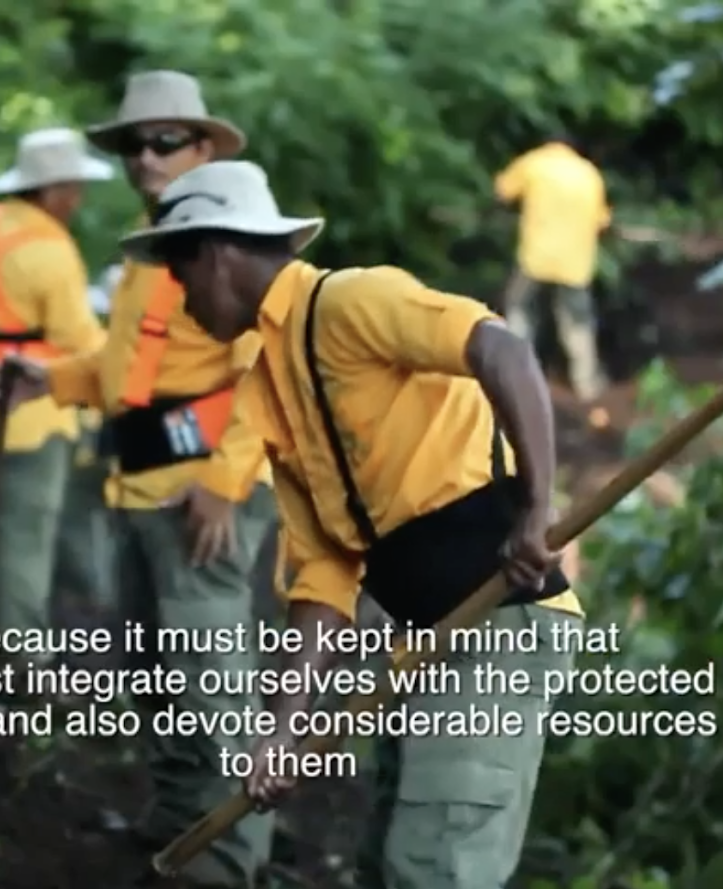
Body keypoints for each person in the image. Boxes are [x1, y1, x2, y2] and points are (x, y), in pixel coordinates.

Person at [117, 160, 586, 889]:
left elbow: (502, 349)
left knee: (434, 867)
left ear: (213, 254)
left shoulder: (353, 302)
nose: (178, 301)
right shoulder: (270, 388)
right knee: (387, 863)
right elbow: (327, 572)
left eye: (178, 275)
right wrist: (283, 726)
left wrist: (535, 510)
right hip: (417, 638)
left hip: (499, 614)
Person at [0, 71, 276, 888]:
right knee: (153, 666)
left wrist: (225, 480)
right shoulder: (152, 244)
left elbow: (268, 371)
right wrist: (53, 379)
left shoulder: (230, 237)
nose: (145, 158)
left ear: (203, 146)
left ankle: (227, 856)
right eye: (132, 145)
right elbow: (127, 369)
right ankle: (180, 816)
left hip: (203, 499)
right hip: (139, 485)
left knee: (212, 680)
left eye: (164, 141)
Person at [0, 127, 111, 666]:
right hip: (32, 416)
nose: (78, 200)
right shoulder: (51, 249)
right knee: (25, 547)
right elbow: (81, 339)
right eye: (74, 188)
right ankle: (24, 671)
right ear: (54, 190)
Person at [494, 134, 612, 403]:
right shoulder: (588, 174)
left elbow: (502, 191)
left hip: (536, 258)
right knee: (577, 322)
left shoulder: (535, 163)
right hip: (575, 263)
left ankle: (517, 376)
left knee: (519, 309)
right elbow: (602, 220)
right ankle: (587, 384)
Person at [51, 267, 119, 614]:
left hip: (115, 455)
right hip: (117, 452)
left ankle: (95, 590)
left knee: (82, 507)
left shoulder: (115, 347)